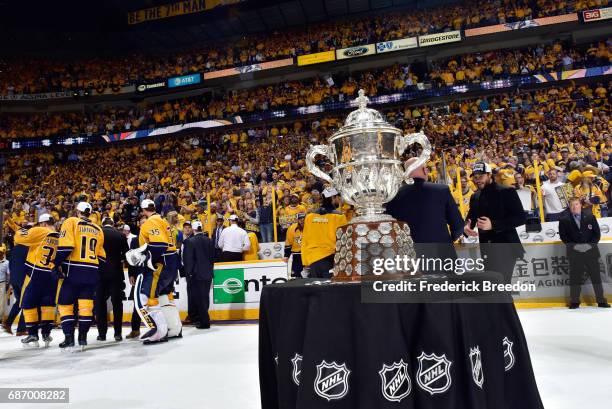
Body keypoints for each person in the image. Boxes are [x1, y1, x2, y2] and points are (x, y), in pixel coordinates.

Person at [386, 158, 464, 271]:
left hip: (410, 260)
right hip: (442, 257)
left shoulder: (393, 196)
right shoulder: (442, 190)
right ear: (424, 170)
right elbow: (458, 226)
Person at [127, 199, 182, 343]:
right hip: (171, 262)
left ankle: (159, 331)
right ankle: (175, 328)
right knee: (166, 296)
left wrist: (146, 257)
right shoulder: (164, 221)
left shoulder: (151, 222)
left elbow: (159, 244)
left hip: (160, 264)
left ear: (144, 210)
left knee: (146, 298)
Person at [54, 202, 106, 350]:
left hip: (73, 270)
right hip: (91, 271)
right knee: (86, 307)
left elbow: (66, 246)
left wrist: (55, 263)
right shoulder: (98, 228)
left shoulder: (71, 221)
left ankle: (69, 338)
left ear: (77, 211)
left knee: (65, 305)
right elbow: (102, 257)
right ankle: (82, 338)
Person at [464, 162, 526, 284]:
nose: (477, 180)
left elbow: (520, 218)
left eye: (481, 177)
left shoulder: (506, 192)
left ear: (489, 175)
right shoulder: (475, 197)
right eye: (475, 177)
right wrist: (466, 227)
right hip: (487, 248)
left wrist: (494, 225)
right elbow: (471, 217)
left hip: (506, 246)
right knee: (494, 287)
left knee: (502, 286)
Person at [13, 214, 59, 347]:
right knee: (47, 305)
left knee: (27, 303)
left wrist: (27, 226)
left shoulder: (40, 230)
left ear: (43, 223)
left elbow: (18, 237)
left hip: (35, 272)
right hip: (51, 274)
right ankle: (46, 333)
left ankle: (33, 334)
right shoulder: (59, 234)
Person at [558, 197, 610, 309]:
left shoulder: (590, 217)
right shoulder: (564, 220)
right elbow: (564, 237)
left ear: (580, 205)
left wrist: (588, 246)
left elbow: (596, 235)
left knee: (596, 277)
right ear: (569, 207)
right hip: (575, 253)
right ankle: (575, 302)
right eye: (572, 205)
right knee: (575, 278)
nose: (574, 207)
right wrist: (575, 246)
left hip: (591, 252)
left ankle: (601, 301)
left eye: (576, 204)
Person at [301, 188, 347, 278]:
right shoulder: (339, 217)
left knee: (316, 290)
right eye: (338, 197)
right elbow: (343, 240)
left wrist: (305, 262)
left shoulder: (309, 217)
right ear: (333, 198)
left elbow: (305, 239)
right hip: (330, 259)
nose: (340, 200)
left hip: (312, 259)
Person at [96, 218, 128, 342]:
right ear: (113, 224)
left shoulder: (97, 233)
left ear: (102, 224)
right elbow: (126, 254)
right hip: (116, 273)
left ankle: (102, 334)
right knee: (117, 304)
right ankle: (118, 333)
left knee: (100, 304)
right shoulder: (120, 235)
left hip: (99, 273)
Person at [181, 220, 216, 329]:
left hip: (196, 274)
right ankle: (204, 319)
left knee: (199, 298)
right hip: (208, 273)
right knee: (205, 297)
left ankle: (204, 321)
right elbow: (213, 258)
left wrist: (189, 273)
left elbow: (188, 260)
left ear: (193, 229)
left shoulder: (189, 242)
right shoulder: (210, 240)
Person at [2, 226, 30, 335]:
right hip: (24, 279)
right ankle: (21, 329)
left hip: (14, 279)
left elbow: (11, 265)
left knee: (19, 302)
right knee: (27, 302)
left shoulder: (14, 249)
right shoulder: (29, 249)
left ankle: (8, 323)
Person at [124, 223, 142, 340]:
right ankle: (135, 329)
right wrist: (131, 274)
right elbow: (131, 258)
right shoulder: (135, 240)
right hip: (138, 275)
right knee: (136, 303)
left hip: (152, 274)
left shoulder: (154, 238)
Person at [284, 213, 305, 278]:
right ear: (297, 220)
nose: (302, 220)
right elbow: (288, 242)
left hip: (308, 254)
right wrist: (286, 255)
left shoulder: (310, 227)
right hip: (297, 255)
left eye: (303, 218)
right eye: (300, 219)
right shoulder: (292, 228)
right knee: (297, 275)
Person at [0, 245, 9, 333]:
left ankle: (2, 320)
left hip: (2, 284)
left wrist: (8, 284)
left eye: (1, 253)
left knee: (2, 303)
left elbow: (8, 274)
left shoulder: (6, 263)